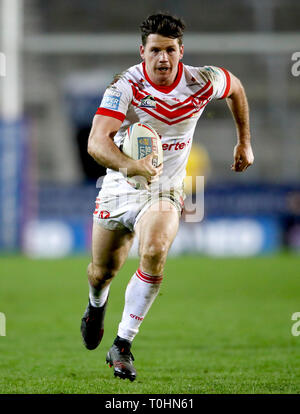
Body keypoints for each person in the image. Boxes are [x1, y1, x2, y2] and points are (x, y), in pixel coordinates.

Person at [80, 13, 254, 382]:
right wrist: (132, 166)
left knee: (156, 249)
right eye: (156, 50)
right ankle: (96, 306)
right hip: (119, 186)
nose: (163, 58)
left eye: (170, 50)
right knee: (101, 273)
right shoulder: (125, 85)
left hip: (165, 188)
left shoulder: (202, 80)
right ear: (142, 51)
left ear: (181, 51)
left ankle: (122, 344)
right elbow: (96, 142)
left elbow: (236, 87)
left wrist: (244, 141)